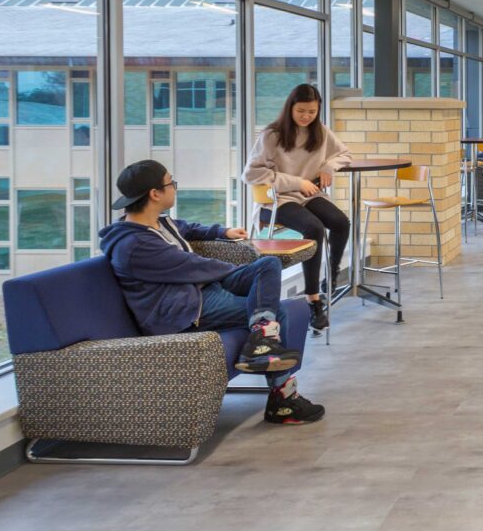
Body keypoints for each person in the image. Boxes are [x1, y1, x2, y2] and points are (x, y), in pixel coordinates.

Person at [98, 159, 324, 425]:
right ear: (155, 194)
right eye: (171, 183)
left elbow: (188, 228)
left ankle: (262, 339)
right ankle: (283, 402)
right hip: (185, 310)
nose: (175, 187)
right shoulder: (134, 245)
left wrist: (222, 232)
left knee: (268, 265)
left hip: (202, 290)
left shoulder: (157, 223)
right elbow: (190, 265)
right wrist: (231, 269)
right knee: (278, 312)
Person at [243, 84, 351, 331]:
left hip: (307, 195)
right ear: (290, 107)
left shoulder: (321, 132)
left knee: (340, 222)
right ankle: (313, 301)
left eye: (312, 112)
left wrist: (328, 167)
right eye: (301, 111)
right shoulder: (272, 135)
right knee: (313, 228)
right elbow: (251, 173)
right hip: (277, 199)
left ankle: (331, 276)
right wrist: (296, 182)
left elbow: (344, 154)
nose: (306, 116)